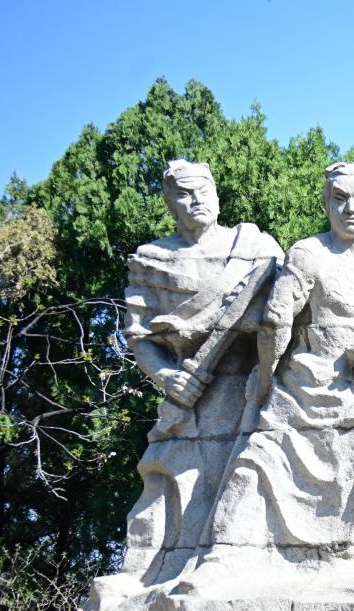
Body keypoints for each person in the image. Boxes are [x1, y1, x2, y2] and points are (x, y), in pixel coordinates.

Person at [184, 162, 354, 589]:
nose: (350, 208)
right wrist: (266, 381)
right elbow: (276, 320)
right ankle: (225, 553)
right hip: (303, 384)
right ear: (326, 205)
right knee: (262, 456)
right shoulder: (308, 252)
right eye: (339, 199)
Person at [116, 159, 282, 587]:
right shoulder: (152, 260)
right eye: (184, 194)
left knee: (241, 478)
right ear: (169, 203)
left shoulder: (256, 248)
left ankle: (226, 564)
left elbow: (282, 317)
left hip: (245, 388)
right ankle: (152, 575)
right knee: (175, 479)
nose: (196, 201)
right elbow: (139, 336)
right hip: (185, 394)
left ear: (217, 194)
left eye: (203, 190)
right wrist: (166, 377)